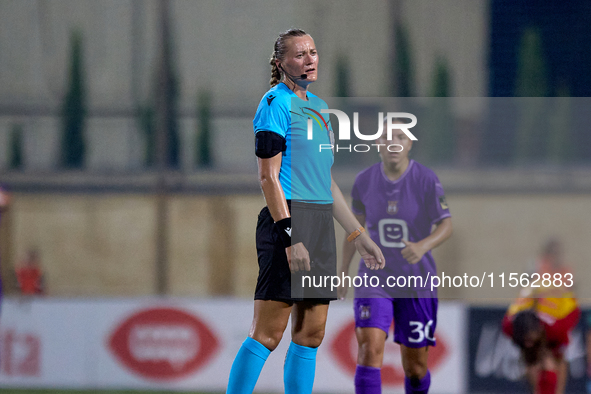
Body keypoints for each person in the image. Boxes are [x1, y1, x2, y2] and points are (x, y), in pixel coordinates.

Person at [226, 28, 385, 394]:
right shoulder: (274, 103)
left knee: (311, 334)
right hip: (288, 222)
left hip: (319, 224)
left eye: (313, 51)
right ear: (281, 62)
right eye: (300, 54)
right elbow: (268, 177)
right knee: (268, 333)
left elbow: (324, 180)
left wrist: (357, 234)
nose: (309, 59)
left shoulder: (319, 109)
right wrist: (290, 235)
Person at [339, 124, 453, 394]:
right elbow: (355, 229)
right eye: (386, 137)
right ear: (377, 142)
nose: (393, 143)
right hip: (375, 278)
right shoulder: (364, 181)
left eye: (400, 137)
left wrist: (423, 246)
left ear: (410, 144)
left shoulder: (426, 180)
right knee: (369, 349)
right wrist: (342, 270)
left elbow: (446, 225)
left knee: (415, 369)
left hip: (416, 282)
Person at [502, 287, 580, 394]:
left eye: (530, 339)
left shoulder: (556, 328)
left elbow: (561, 352)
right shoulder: (509, 325)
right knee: (532, 359)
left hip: (564, 311)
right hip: (536, 307)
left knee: (553, 363)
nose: (528, 343)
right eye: (525, 340)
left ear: (539, 330)